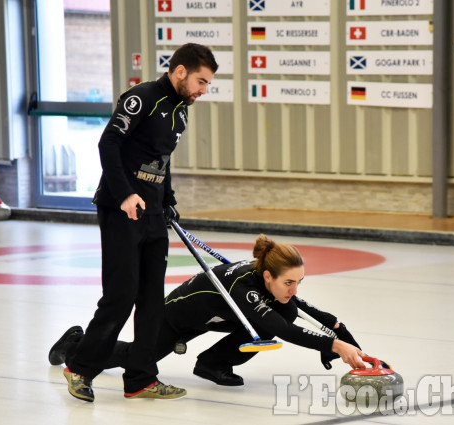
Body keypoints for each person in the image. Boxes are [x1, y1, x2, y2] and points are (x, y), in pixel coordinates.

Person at [55, 43, 219, 402]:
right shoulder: (142, 97)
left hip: (154, 213)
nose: (203, 90)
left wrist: (169, 200)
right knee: (121, 295)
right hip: (121, 209)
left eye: (207, 84)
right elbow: (108, 144)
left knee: (151, 300)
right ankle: (79, 367)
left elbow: (161, 160)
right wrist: (126, 194)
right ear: (180, 72)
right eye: (201, 81)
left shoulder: (181, 110)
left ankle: (141, 377)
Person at [50, 235, 366, 387]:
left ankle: (212, 364)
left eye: (299, 281)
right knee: (137, 360)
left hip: (217, 316)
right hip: (178, 315)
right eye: (289, 283)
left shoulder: (270, 280)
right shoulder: (246, 287)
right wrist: (333, 345)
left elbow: (309, 311)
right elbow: (285, 329)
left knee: (282, 314)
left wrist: (344, 337)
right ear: (268, 276)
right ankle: (76, 346)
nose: (294, 290)